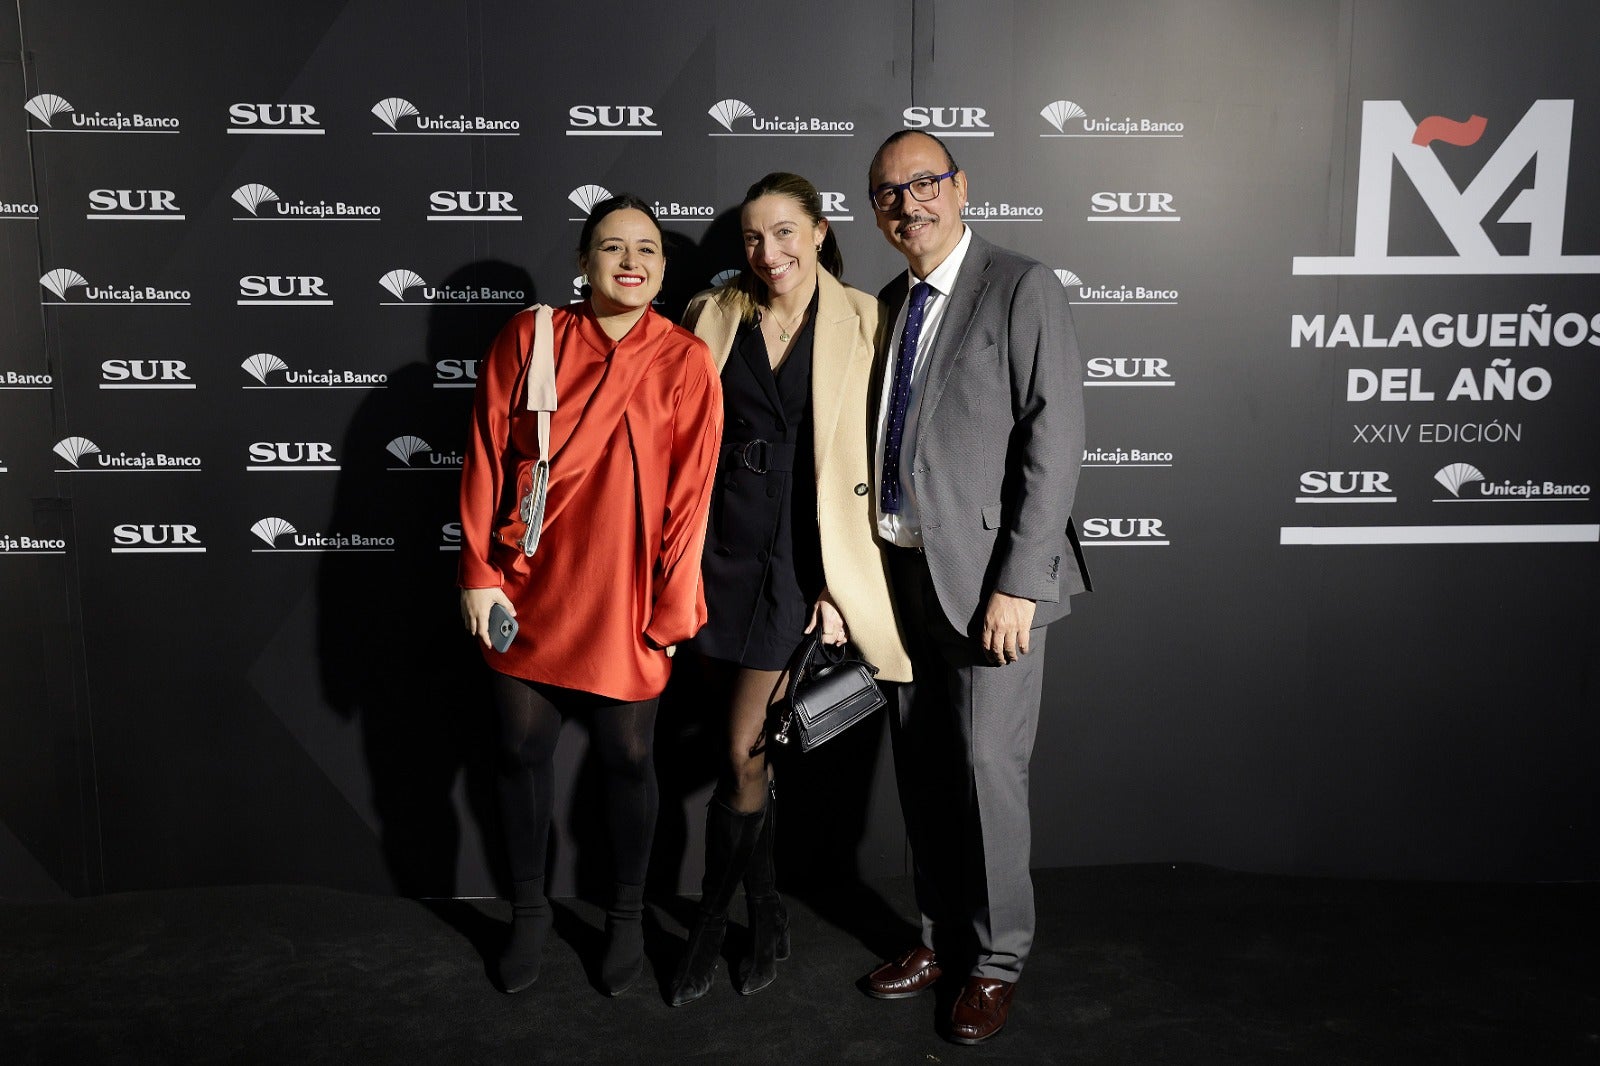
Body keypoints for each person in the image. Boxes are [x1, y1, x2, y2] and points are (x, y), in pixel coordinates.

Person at [857, 131, 1090, 1044]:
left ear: (960, 188)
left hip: (992, 584)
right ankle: (939, 938)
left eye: (923, 183)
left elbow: (1054, 438)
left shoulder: (1020, 285)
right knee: (923, 774)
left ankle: (995, 963)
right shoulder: (887, 304)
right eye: (886, 192)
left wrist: (1020, 585)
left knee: (988, 769)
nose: (907, 203)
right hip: (902, 576)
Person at [457, 195, 722, 996]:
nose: (631, 261)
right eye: (611, 247)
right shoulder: (530, 336)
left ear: (665, 270)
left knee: (628, 755)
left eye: (646, 248)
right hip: (528, 583)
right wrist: (477, 571)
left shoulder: (683, 360)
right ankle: (530, 914)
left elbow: (692, 494)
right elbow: (483, 456)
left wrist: (674, 607)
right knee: (516, 751)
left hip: (626, 594)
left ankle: (626, 919)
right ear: (583, 262)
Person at [669, 172, 912, 1005]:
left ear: (817, 231)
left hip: (805, 569)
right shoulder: (714, 314)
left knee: (742, 752)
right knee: (740, 758)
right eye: (751, 236)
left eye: (783, 232)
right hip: (717, 555)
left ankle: (712, 919)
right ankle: (767, 910)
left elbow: (883, 468)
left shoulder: (867, 319)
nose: (766, 252)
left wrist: (848, 585)